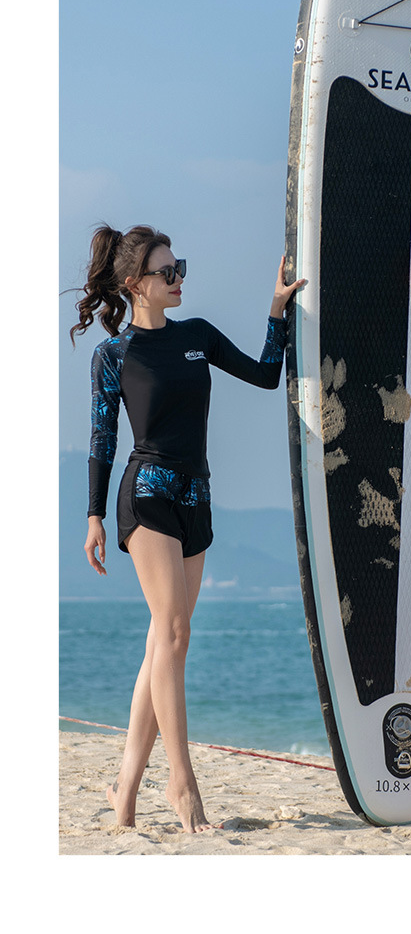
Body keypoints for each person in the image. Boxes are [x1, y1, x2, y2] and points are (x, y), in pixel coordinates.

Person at [70, 224, 305, 833]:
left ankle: (125, 789)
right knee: (175, 634)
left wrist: (276, 313)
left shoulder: (196, 336)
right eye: (167, 272)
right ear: (134, 284)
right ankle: (182, 781)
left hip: (196, 497)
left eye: (181, 268)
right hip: (146, 495)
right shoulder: (114, 355)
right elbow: (102, 438)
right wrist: (94, 515)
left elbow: (265, 375)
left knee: (164, 643)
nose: (179, 279)